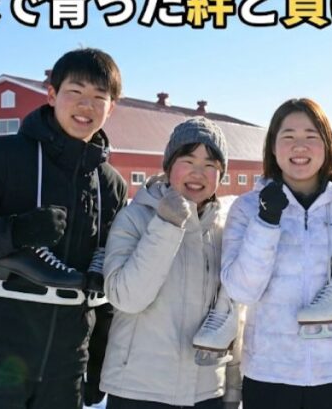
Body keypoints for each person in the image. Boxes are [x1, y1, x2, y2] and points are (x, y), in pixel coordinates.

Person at [0, 48, 128, 408]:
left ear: (111, 108)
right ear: (52, 94)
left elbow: (105, 275)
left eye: (100, 97)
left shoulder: (110, 184)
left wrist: (98, 360)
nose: (86, 105)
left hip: (65, 372)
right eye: (75, 92)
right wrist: (15, 231)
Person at [220, 98, 332, 409]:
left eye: (311, 136)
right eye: (288, 136)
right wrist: (266, 222)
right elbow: (242, 291)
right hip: (269, 377)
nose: (300, 146)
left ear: (327, 145)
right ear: (273, 147)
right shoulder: (247, 209)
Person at [101, 117, 242, 409]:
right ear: (168, 166)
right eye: (188, 161)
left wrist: (231, 389)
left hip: (206, 393)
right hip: (138, 391)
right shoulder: (135, 218)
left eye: (210, 165)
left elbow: (232, 316)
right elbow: (127, 298)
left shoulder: (223, 232)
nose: (198, 173)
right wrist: (166, 225)